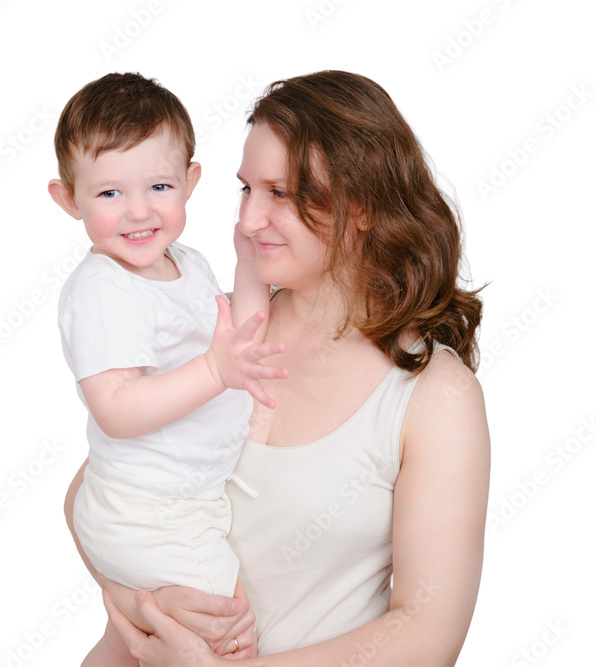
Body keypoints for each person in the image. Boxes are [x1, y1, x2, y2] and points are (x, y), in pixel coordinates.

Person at [65, 70, 491, 666]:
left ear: (362, 208)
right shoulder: (219, 331)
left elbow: (427, 636)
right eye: (246, 189)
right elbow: (90, 493)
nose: (247, 220)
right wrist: (145, 602)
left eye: (281, 194)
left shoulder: (433, 395)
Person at [48, 73, 288, 663]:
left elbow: (240, 335)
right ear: (68, 199)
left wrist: (249, 264)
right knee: (230, 635)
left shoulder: (187, 263)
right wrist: (213, 371)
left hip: (184, 500)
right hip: (148, 510)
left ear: (190, 182)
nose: (138, 211)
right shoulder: (103, 290)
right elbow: (116, 409)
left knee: (139, 641)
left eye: (158, 186)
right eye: (109, 193)